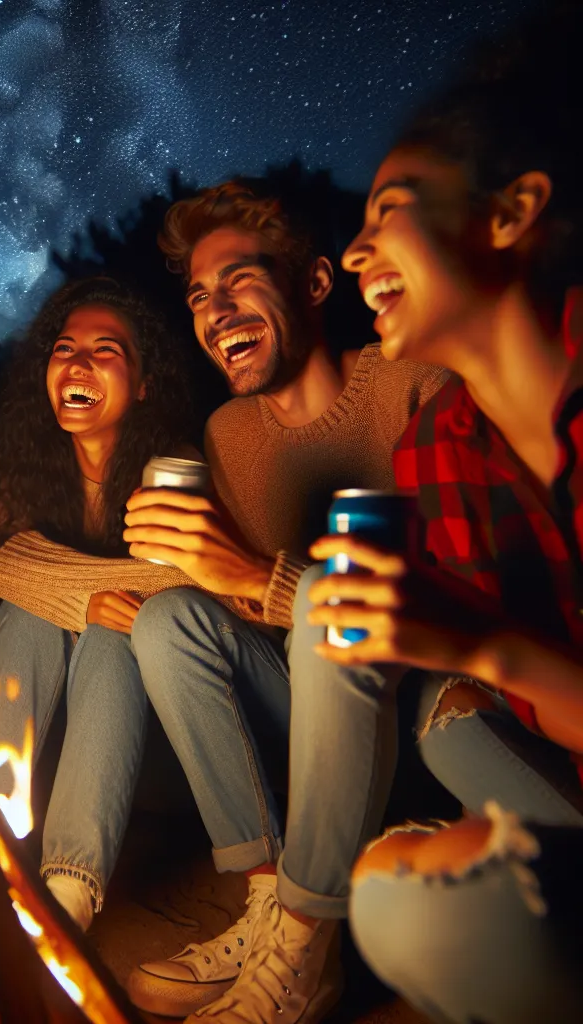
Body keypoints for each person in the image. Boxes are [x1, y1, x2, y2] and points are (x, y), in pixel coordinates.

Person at [307, 5, 583, 1020]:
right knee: (395, 883)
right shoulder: (439, 448)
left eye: (389, 210)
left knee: (436, 910)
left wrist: (482, 644)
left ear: (509, 215)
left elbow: (496, 653)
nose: (355, 244)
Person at [118, 180, 447, 1022]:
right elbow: (248, 611)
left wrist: (256, 576)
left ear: (314, 283)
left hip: (418, 717)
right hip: (309, 710)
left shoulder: (412, 382)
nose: (214, 309)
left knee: (323, 598)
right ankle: (268, 908)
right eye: (197, 295)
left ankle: (304, 953)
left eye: (238, 281)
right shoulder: (230, 435)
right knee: (168, 622)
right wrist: (184, 576)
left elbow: (446, 611)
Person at [0, 276, 200, 930]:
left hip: (157, 755)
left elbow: (188, 588)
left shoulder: (176, 467)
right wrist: (95, 593)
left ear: (145, 383)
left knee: (114, 634)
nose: (77, 362)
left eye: (105, 350)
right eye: (64, 347)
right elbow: (5, 565)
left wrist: (81, 594)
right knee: (29, 613)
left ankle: (65, 901)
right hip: (47, 754)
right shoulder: (29, 464)